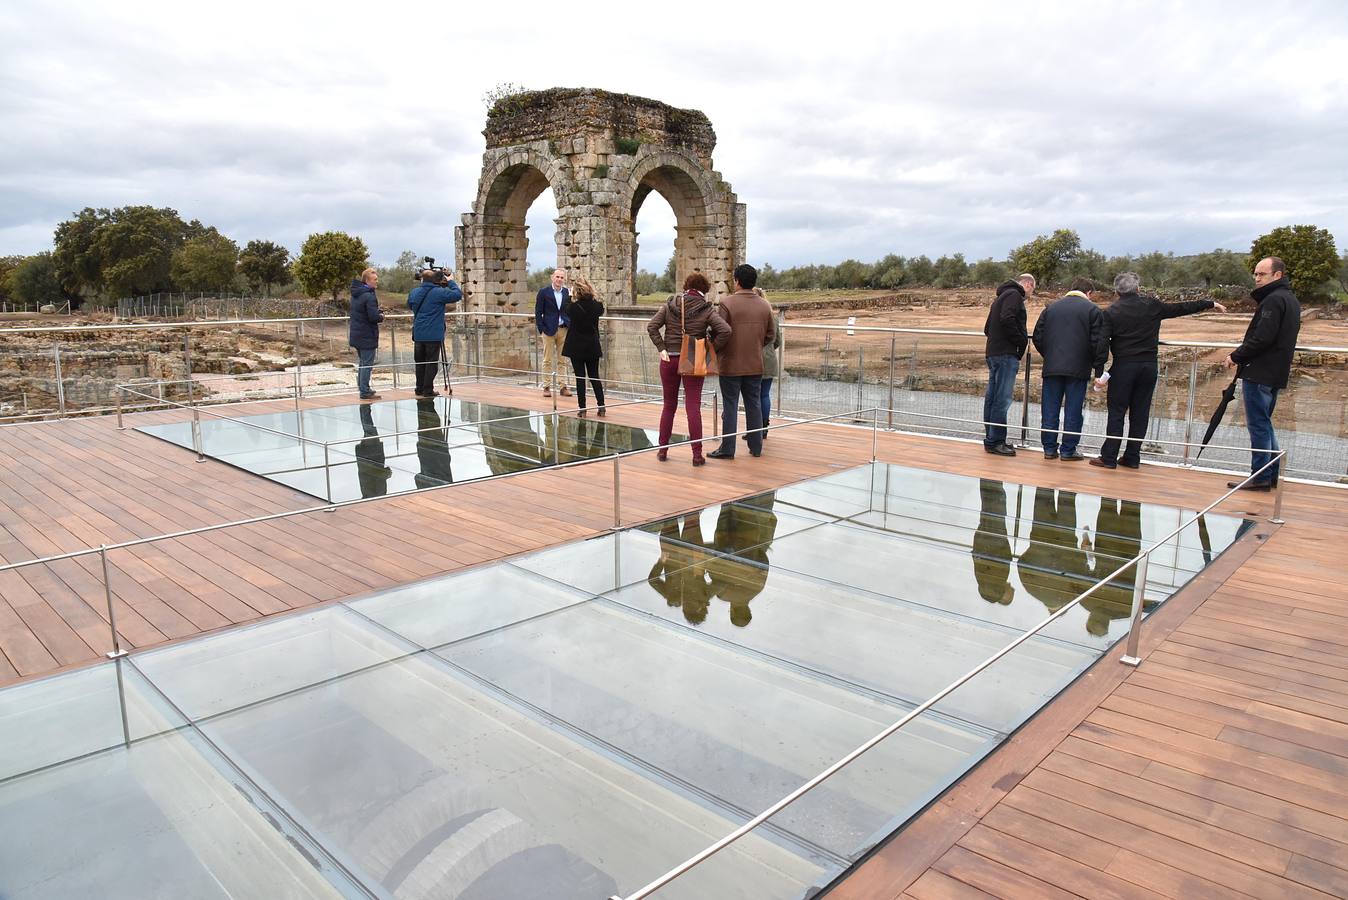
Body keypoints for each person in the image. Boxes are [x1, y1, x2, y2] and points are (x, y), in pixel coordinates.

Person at [1090, 272, 1224, 470]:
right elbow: (1181, 308)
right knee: (1140, 412)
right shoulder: (1151, 305)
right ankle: (1132, 457)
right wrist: (1209, 303)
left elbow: (1102, 344)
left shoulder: (1111, 312)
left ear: (1117, 291)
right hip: (1148, 366)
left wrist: (1099, 372)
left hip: (1124, 365)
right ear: (1138, 288)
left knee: (1117, 412)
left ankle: (1109, 457)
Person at [1223, 256, 1301, 491]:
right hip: (1275, 371)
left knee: (1258, 425)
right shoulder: (1289, 299)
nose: (1257, 278)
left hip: (1260, 372)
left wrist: (1236, 355)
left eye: (1262, 274)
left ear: (1277, 275)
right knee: (1264, 424)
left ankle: (1260, 476)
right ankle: (1271, 473)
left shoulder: (1273, 300)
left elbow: (1262, 338)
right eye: (1256, 274)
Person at [646, 272, 731, 466]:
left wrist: (662, 348)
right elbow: (726, 330)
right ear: (704, 290)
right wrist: (710, 348)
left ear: (686, 286)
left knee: (669, 405)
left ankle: (662, 450)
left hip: (669, 359)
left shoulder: (670, 304)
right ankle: (696, 455)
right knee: (693, 407)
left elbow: (652, 327)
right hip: (693, 360)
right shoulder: (706, 309)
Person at [1031, 277, 1108, 461]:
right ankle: (1068, 450)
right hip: (1079, 368)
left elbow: (1037, 336)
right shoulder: (1093, 310)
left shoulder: (1051, 308)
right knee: (1073, 410)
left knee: (1050, 409)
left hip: (1052, 367)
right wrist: (1098, 369)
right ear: (1089, 293)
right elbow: (1099, 343)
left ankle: (1049, 448)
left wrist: (1049, 355)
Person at [707, 264, 775, 460]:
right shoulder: (764, 305)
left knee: (730, 406)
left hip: (730, 364)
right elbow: (770, 336)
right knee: (753, 404)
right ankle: (756, 446)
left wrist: (716, 350)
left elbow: (721, 332)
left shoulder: (727, 304)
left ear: (737, 281)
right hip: (755, 363)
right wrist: (754, 346)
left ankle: (728, 448)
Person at [982, 273, 1035, 455]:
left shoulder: (1000, 297)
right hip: (1005, 354)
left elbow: (987, 328)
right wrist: (1021, 342)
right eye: (1032, 289)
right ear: (1028, 284)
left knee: (992, 397)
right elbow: (1007, 319)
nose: (1030, 294)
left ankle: (991, 438)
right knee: (1002, 399)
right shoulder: (1014, 296)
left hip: (993, 353)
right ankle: (996, 441)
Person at [407, 266, 462, 398]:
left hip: (419, 333)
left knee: (420, 362)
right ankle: (428, 390)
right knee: (431, 363)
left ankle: (419, 388)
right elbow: (457, 295)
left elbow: (409, 305)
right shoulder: (439, 292)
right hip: (433, 334)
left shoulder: (414, 292)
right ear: (434, 280)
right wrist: (450, 281)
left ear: (422, 280)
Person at [561, 276, 606, 416]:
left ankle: (582, 408)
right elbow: (599, 308)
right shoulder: (597, 306)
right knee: (594, 376)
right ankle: (601, 406)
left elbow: (566, 308)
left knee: (580, 378)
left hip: (576, 346)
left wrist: (569, 296)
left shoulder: (573, 307)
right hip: (592, 345)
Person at [348, 267, 384, 401]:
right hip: (367, 334)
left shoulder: (356, 294)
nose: (377, 282)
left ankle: (364, 388)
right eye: (375, 279)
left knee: (363, 363)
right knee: (367, 364)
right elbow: (373, 317)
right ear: (367, 280)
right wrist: (381, 316)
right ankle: (364, 391)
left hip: (357, 334)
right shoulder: (369, 296)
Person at [752, 288, 783, 442]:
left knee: (753, 396)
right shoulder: (774, 317)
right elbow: (777, 341)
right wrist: (769, 350)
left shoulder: (751, 316)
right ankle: (764, 428)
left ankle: (754, 429)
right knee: (764, 395)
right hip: (770, 360)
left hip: (753, 360)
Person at [534, 268, 571, 397]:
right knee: (547, 360)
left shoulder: (566, 292)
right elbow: (538, 312)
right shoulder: (544, 292)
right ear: (552, 277)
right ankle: (546, 386)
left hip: (563, 329)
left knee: (563, 360)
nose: (559, 279)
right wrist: (541, 328)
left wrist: (569, 324)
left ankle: (563, 386)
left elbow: (568, 310)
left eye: (562, 277)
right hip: (548, 330)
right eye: (557, 277)